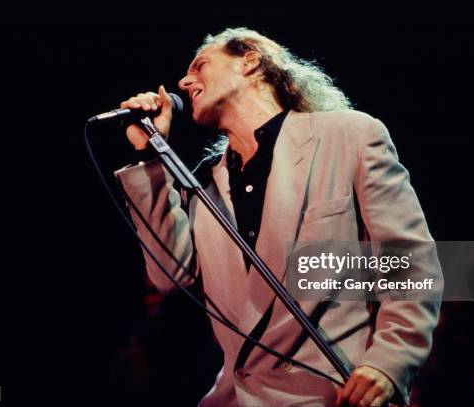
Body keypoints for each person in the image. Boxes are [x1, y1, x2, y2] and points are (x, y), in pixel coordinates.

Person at [114, 27, 442, 407]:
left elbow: (407, 260)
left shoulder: (348, 136)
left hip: (335, 393)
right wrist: (150, 157)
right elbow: (169, 275)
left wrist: (389, 363)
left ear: (251, 59)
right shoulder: (203, 183)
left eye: (200, 65)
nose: (185, 81)